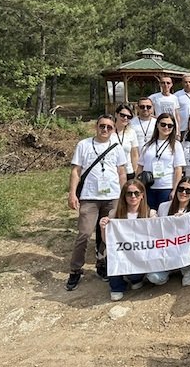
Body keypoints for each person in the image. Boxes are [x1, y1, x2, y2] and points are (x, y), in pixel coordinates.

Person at [65, 115, 127, 291]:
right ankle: (75, 269)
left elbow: (121, 172)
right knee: (84, 233)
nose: (105, 130)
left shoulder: (117, 147)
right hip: (90, 196)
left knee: (106, 233)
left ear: (114, 129)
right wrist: (72, 193)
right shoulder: (83, 145)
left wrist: (123, 195)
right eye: (102, 126)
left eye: (109, 127)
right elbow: (76, 171)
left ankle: (102, 263)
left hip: (112, 196)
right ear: (96, 126)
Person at [98, 179, 155, 301]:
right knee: (110, 254)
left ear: (142, 195)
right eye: (129, 193)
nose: (133, 196)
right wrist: (103, 228)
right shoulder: (114, 214)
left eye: (136, 193)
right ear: (124, 196)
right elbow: (107, 241)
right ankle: (117, 286)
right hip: (121, 252)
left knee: (135, 277)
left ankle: (136, 278)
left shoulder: (150, 214)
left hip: (141, 253)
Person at [146, 177, 190, 287]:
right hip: (166, 252)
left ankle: (187, 270)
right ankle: (170, 270)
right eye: (181, 189)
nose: (183, 192)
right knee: (154, 277)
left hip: (186, 252)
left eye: (188, 191)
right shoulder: (163, 206)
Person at [137, 113, 185, 210]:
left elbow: (178, 169)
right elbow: (140, 167)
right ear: (157, 125)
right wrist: (137, 186)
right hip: (147, 187)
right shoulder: (147, 145)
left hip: (166, 187)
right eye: (163, 124)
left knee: (164, 218)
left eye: (170, 125)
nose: (166, 127)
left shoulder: (176, 145)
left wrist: (175, 189)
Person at [113, 103, 139, 180]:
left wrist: (135, 172)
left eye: (129, 117)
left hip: (128, 172)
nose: (125, 118)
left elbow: (134, 155)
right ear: (116, 114)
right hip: (113, 172)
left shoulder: (132, 132)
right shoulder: (109, 132)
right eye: (122, 115)